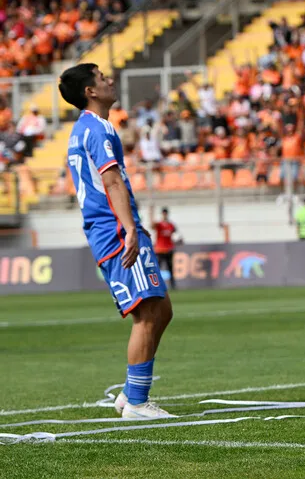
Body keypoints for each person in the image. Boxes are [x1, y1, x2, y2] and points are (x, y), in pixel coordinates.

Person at [59, 63, 173, 419]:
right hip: (113, 228)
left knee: (161, 309)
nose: (110, 81)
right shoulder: (97, 129)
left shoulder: (83, 129)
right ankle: (137, 403)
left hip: (110, 226)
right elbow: (111, 182)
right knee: (148, 313)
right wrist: (130, 229)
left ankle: (128, 394)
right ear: (90, 91)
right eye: (102, 77)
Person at [151, 207, 181, 290]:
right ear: (162, 214)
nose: (165, 215)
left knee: (170, 268)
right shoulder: (159, 224)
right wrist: (151, 212)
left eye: (166, 213)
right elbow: (152, 226)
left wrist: (178, 241)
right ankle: (157, 285)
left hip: (169, 249)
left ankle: (173, 286)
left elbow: (175, 234)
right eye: (163, 213)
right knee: (158, 268)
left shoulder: (171, 225)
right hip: (160, 249)